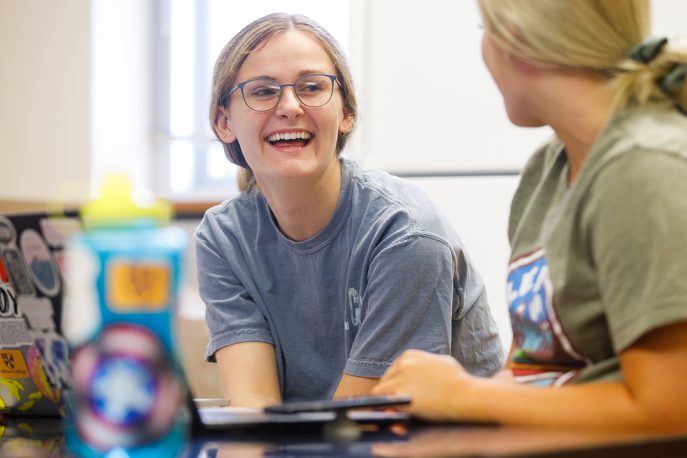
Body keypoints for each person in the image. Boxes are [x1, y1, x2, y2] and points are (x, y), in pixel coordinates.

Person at [374, 0, 687, 432]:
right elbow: (531, 364)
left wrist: (466, 395)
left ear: (517, 37)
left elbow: (670, 410)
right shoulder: (548, 169)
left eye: (486, 26)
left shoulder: (645, 168)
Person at [195, 13, 504, 407]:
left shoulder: (405, 232)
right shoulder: (224, 238)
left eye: (312, 86)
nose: (289, 106)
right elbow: (255, 410)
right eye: (262, 91)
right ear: (224, 123)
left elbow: (357, 423)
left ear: (346, 114)